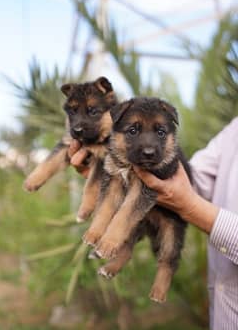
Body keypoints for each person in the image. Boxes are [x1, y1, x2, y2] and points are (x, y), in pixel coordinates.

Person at [69, 117, 238, 330]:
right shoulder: (234, 129)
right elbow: (195, 180)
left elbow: (186, 196)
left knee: (166, 238)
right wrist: (115, 169)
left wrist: (189, 206)